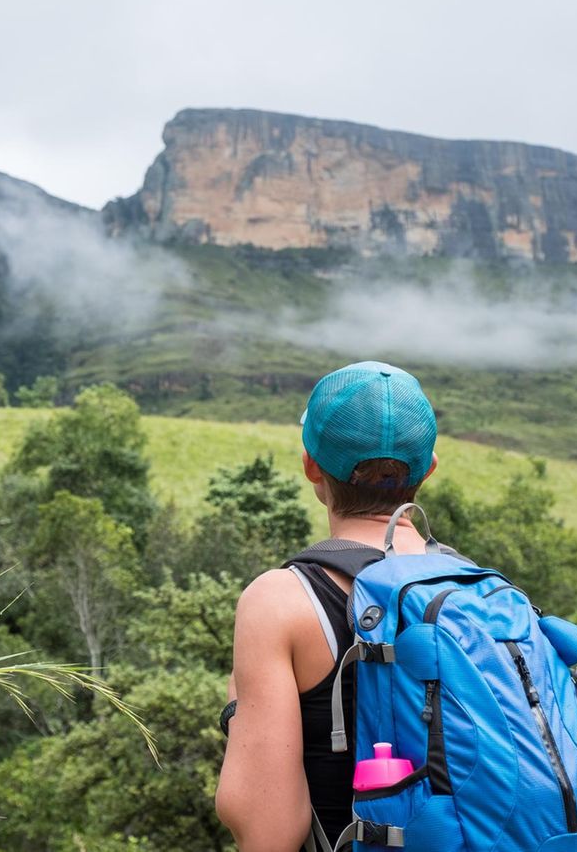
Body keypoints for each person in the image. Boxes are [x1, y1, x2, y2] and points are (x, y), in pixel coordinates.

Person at [216, 361, 440, 851]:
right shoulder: (485, 591)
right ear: (428, 469)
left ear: (311, 465)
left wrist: (238, 704)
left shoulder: (281, 601)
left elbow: (266, 834)